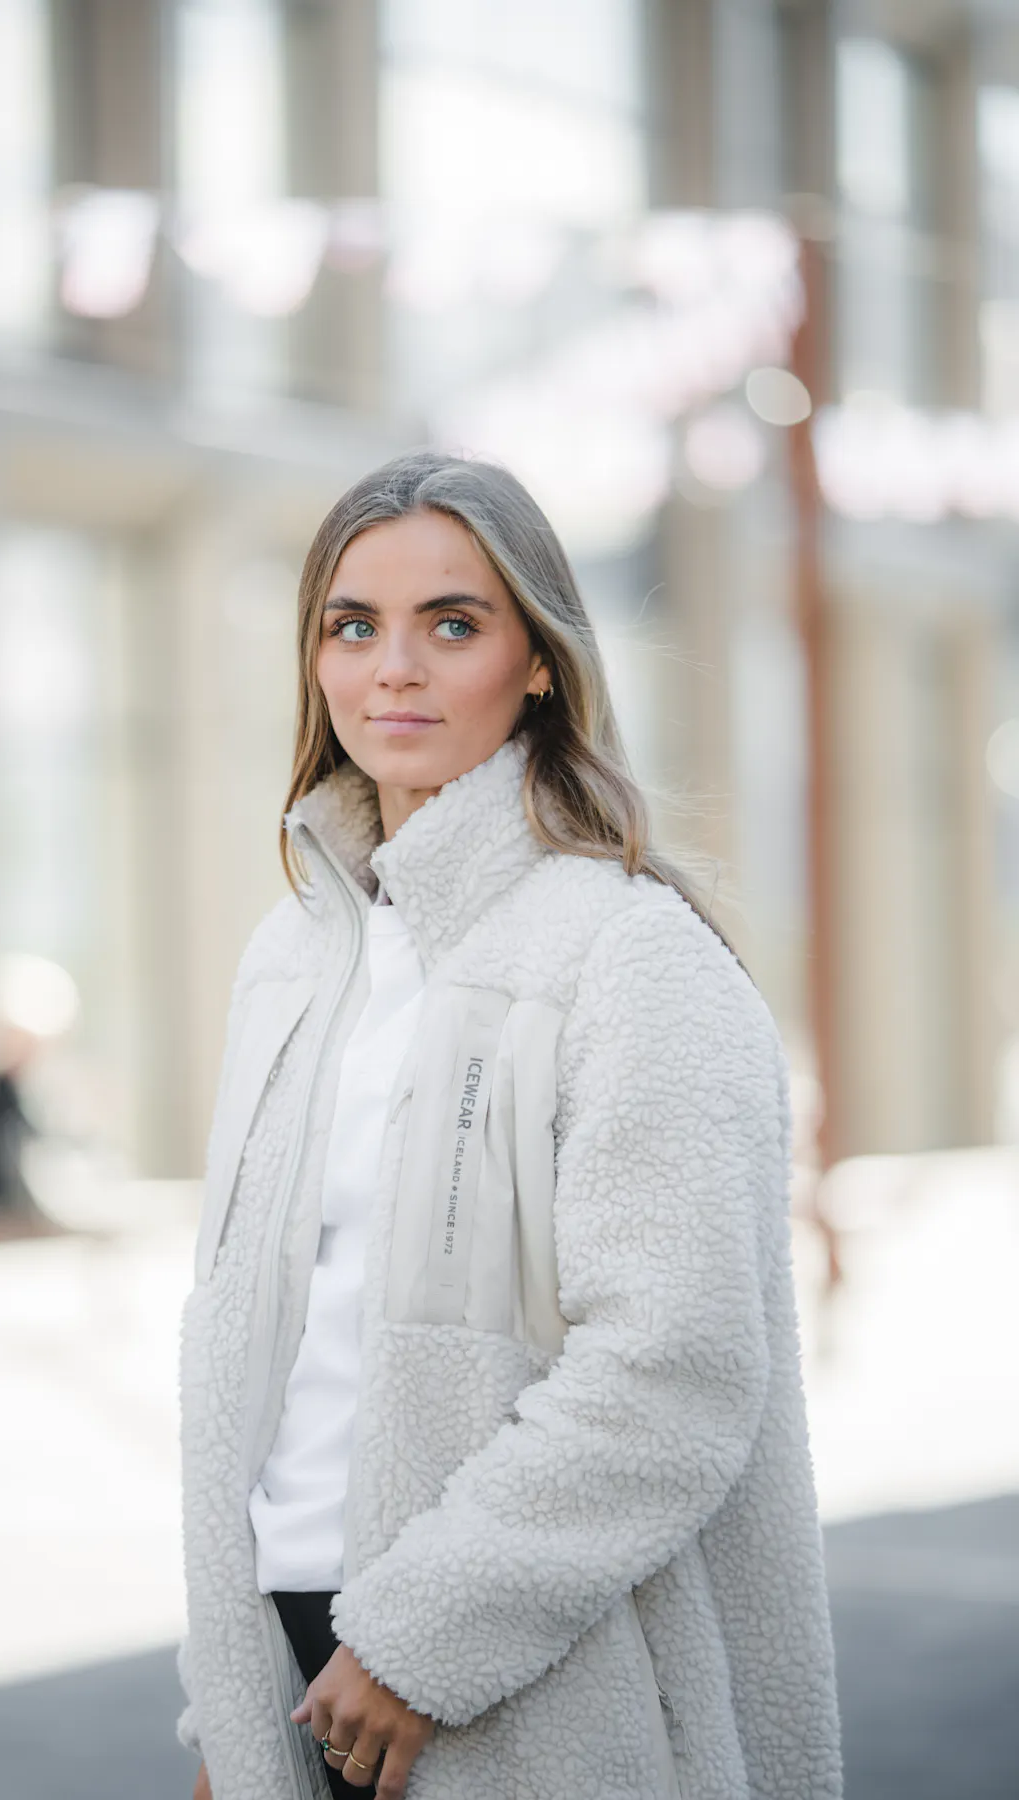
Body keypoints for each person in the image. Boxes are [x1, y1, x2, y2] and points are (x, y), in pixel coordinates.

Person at [177, 450, 843, 1800]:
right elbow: (257, 1348)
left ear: (538, 661)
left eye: (454, 623)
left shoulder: (629, 956)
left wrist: (420, 1639)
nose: (394, 670)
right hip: (287, 1666)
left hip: (525, 1682)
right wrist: (229, 1715)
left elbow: (675, 1369)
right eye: (353, 625)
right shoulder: (295, 959)